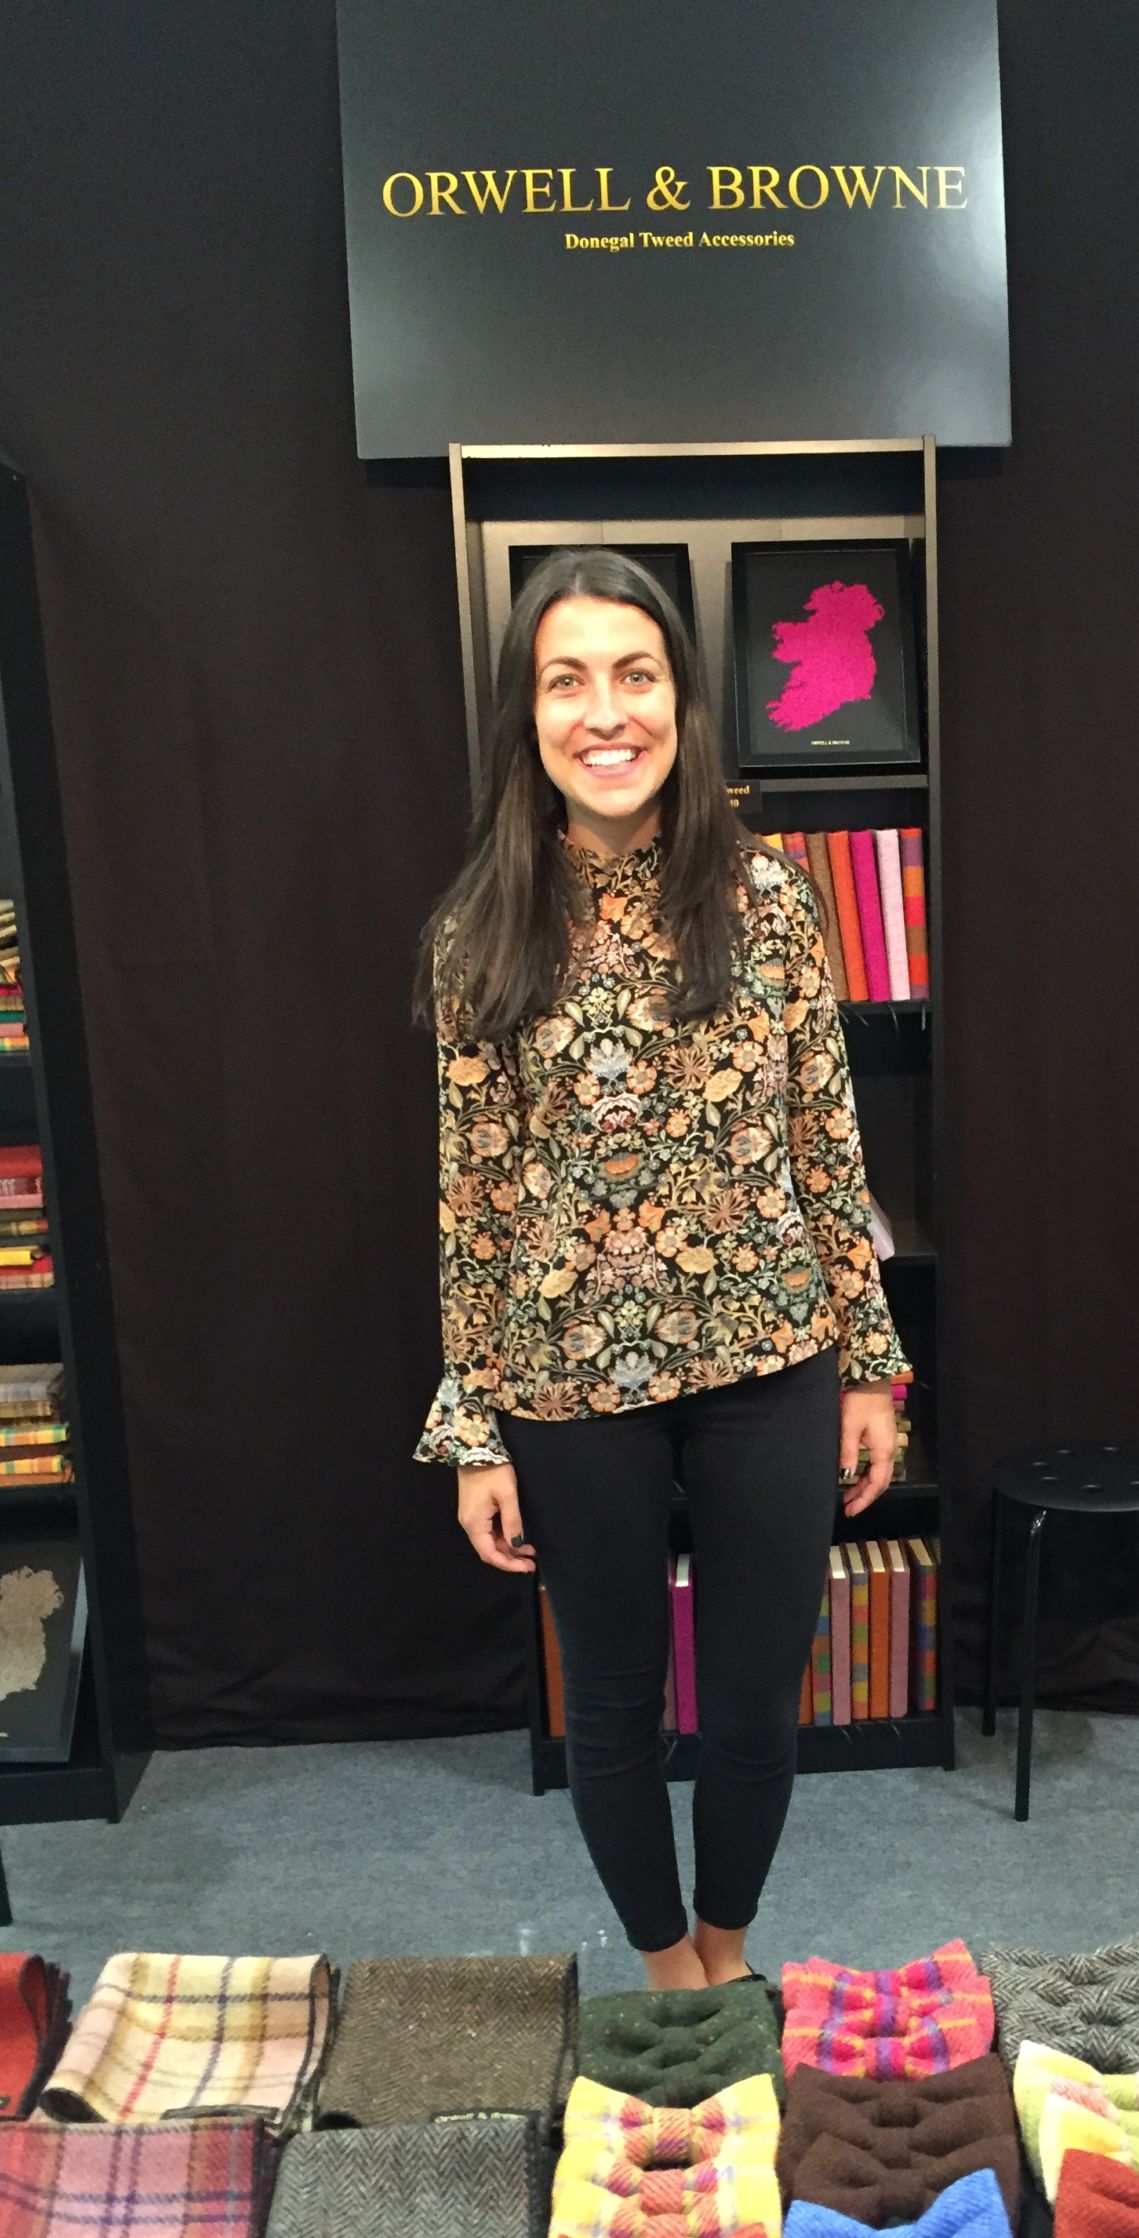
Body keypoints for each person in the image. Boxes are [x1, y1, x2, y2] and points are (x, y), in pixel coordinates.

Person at [413, 548, 909, 1991]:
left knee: (754, 1700)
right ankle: (666, 1973)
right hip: (569, 1381)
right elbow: (474, 1207)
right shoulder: (477, 933)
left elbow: (829, 1147)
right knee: (615, 1704)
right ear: (528, 716)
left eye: (635, 674)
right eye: (568, 680)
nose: (604, 711)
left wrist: (874, 1364)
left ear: (684, 704)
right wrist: (473, 1429)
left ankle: (731, 1951)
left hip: (773, 1359)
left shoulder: (768, 903)